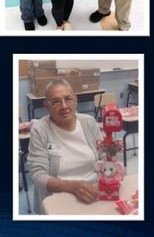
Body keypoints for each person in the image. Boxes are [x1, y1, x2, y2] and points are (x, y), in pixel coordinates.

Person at [27, 79, 102, 214]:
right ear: (46, 105)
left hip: (94, 192)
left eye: (68, 99)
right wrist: (73, 187)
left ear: (76, 100)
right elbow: (39, 176)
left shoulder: (89, 122)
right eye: (56, 101)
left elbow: (104, 156)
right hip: (60, 195)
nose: (64, 106)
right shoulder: (40, 130)